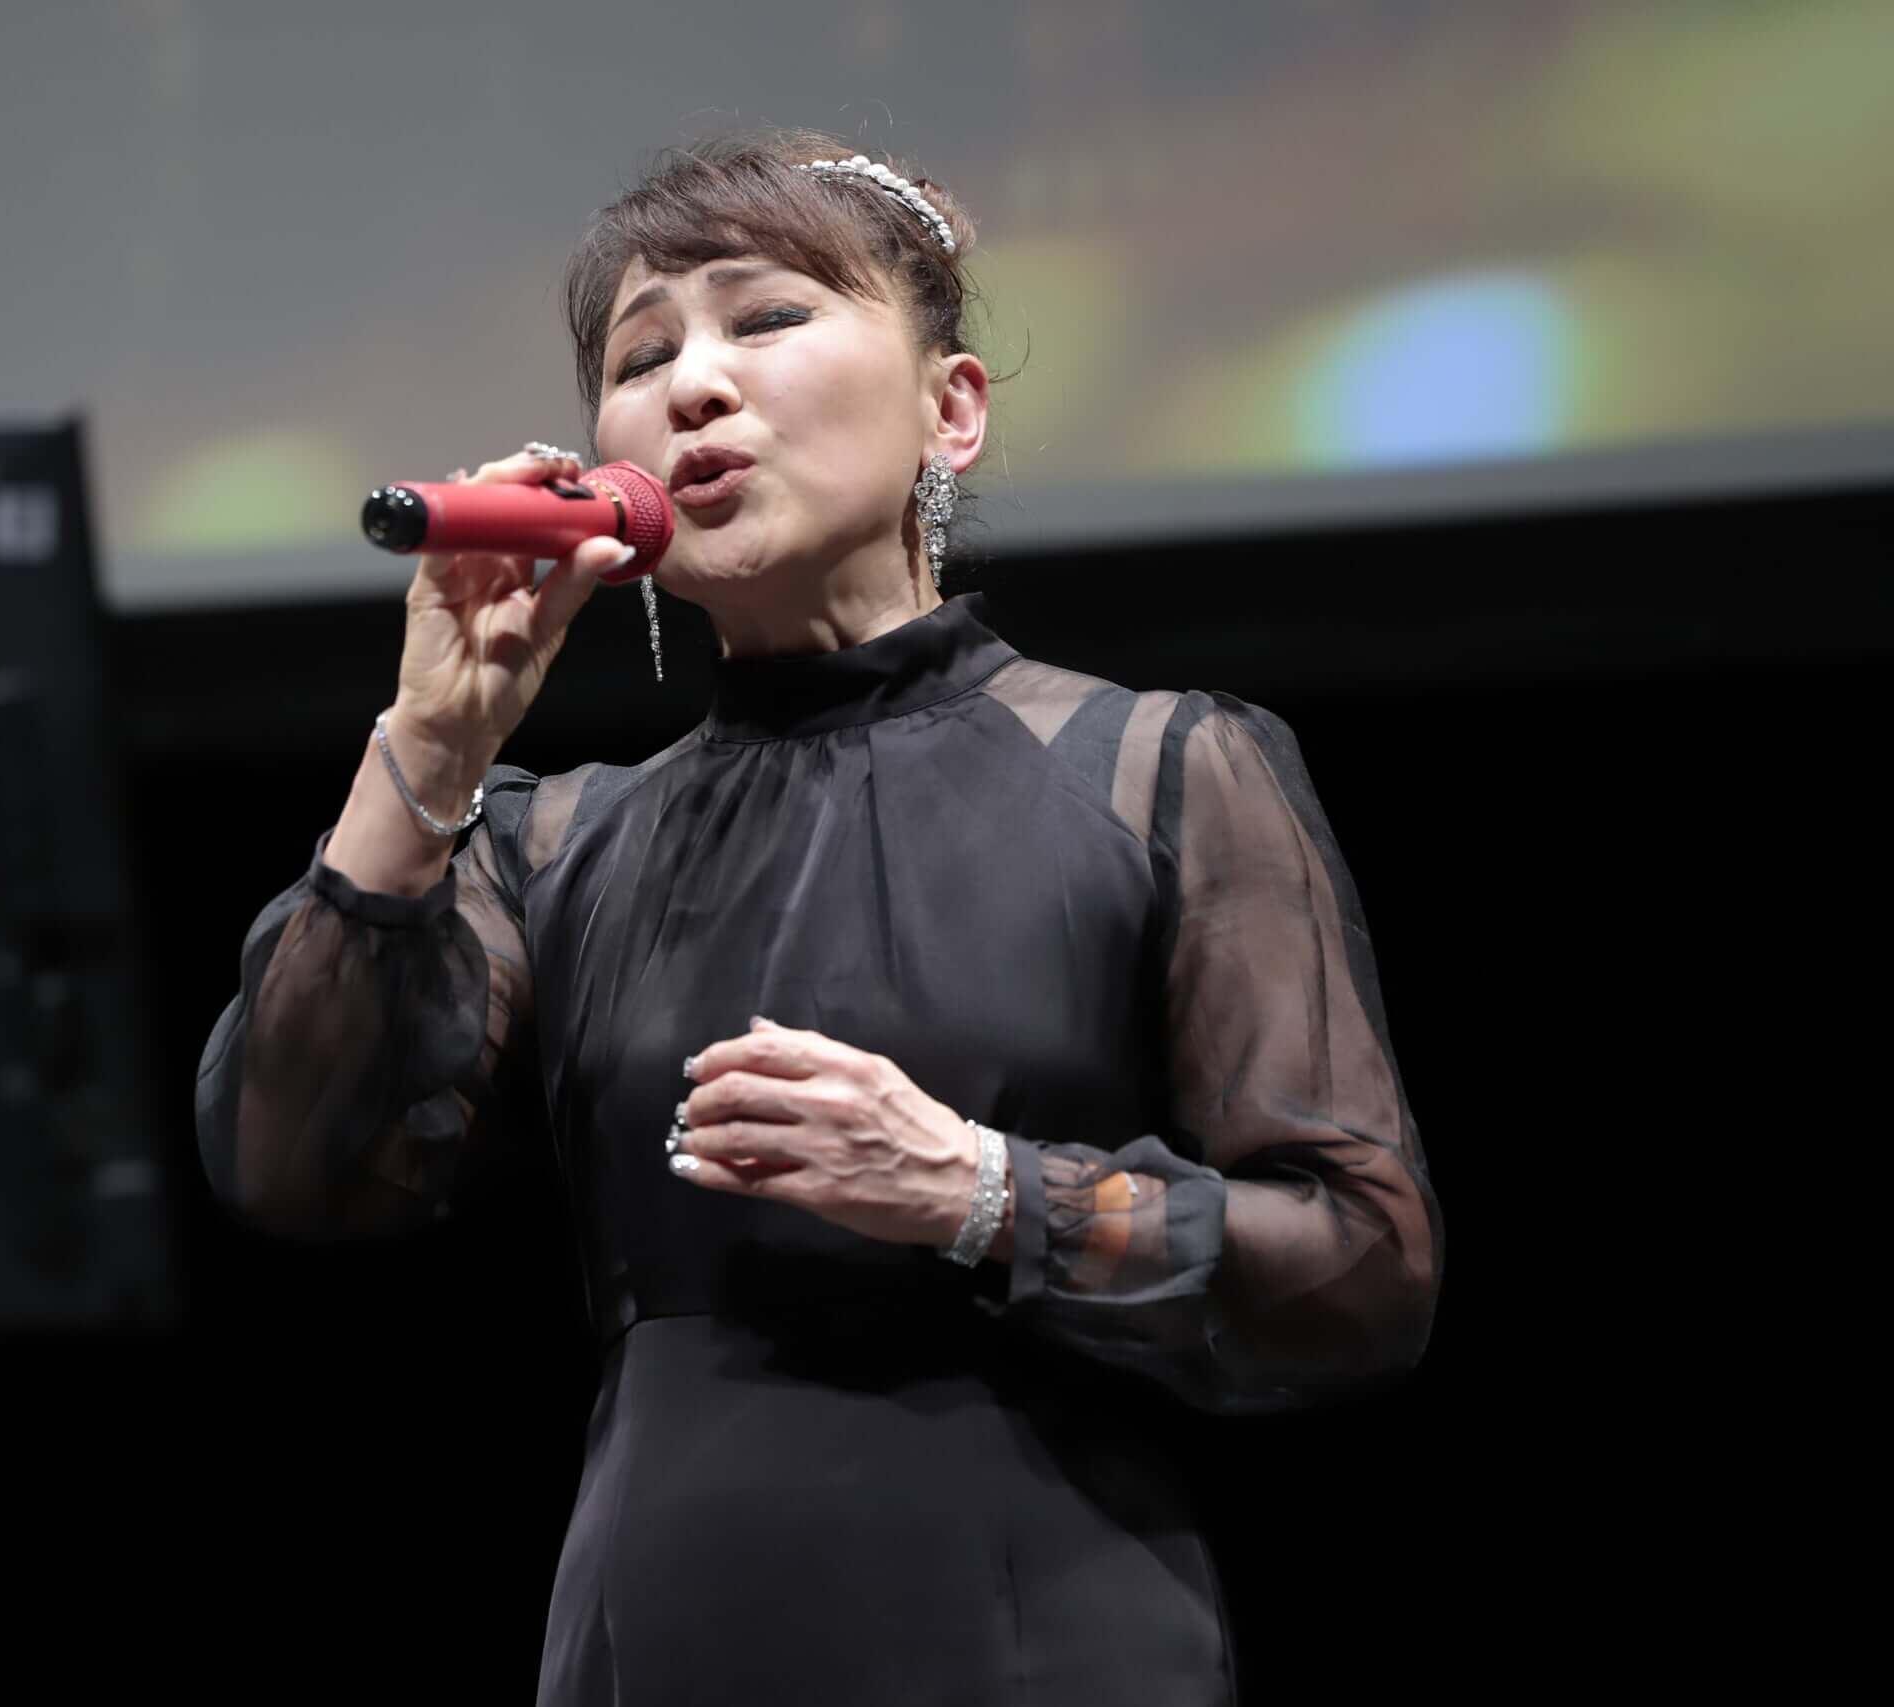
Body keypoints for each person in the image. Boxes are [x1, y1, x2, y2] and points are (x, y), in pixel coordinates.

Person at [197, 129, 1443, 1706]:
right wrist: (433, 745)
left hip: (1038, 1635)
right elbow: (296, 1164)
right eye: (641, 357)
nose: (693, 387)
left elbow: (1360, 1270)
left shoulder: (1158, 769)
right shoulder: (556, 842)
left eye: (766, 319)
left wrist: (984, 1191)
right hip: (662, 1638)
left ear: (951, 410)